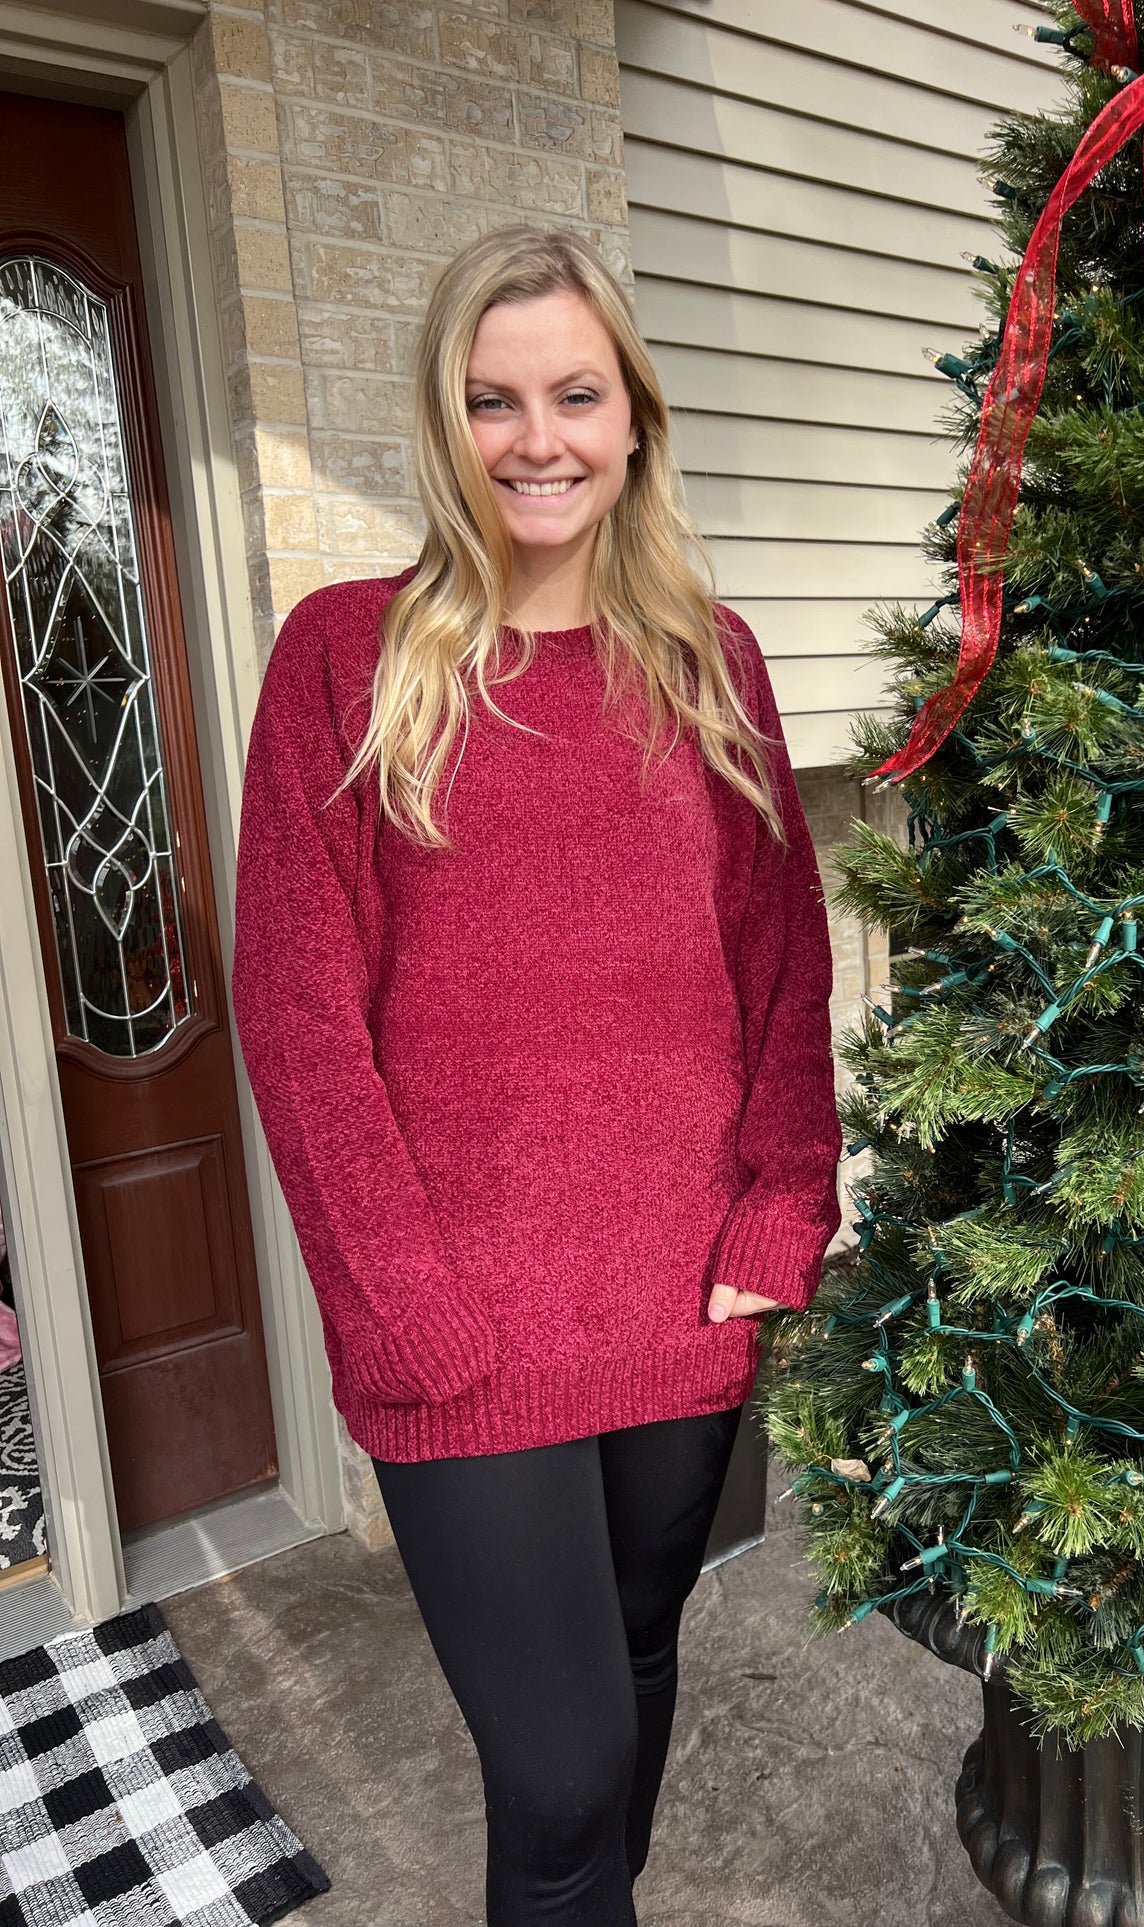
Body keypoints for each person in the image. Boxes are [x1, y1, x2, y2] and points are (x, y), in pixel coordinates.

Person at [229, 224, 843, 1925]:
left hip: (677, 1290)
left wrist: (777, 1215)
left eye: (574, 394)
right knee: (560, 1769)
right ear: (446, 423)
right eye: (491, 401)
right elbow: (295, 1016)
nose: (535, 439)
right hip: (464, 1320)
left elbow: (780, 968)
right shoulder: (346, 662)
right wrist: (399, 1304)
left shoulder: (710, 665)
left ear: (632, 416)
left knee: (638, 1668)